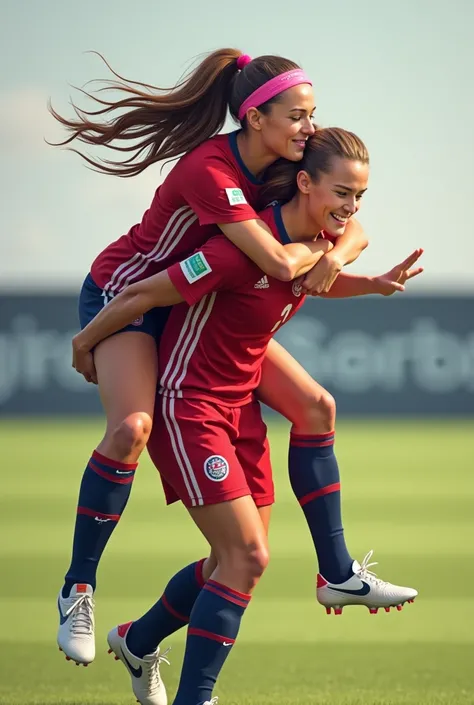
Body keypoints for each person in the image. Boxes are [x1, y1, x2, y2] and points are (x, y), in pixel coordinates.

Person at [73, 128, 420, 705]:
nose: (351, 208)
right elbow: (139, 297)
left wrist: (362, 276)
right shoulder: (237, 250)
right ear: (304, 183)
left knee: (235, 562)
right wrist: (84, 343)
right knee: (248, 556)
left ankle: (139, 641)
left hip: (240, 408)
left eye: (359, 197)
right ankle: (199, 695)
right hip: (190, 407)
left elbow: (308, 274)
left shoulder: (311, 241)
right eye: (342, 193)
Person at [51, 48, 371, 667]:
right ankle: (78, 588)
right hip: (128, 297)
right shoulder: (210, 169)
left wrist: (342, 251)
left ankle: (334, 571)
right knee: (131, 429)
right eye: (299, 116)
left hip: (186, 303)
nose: (310, 129)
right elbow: (280, 262)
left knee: (313, 405)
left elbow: (350, 218)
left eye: (314, 116)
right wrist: (87, 337)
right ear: (255, 117)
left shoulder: (287, 167)